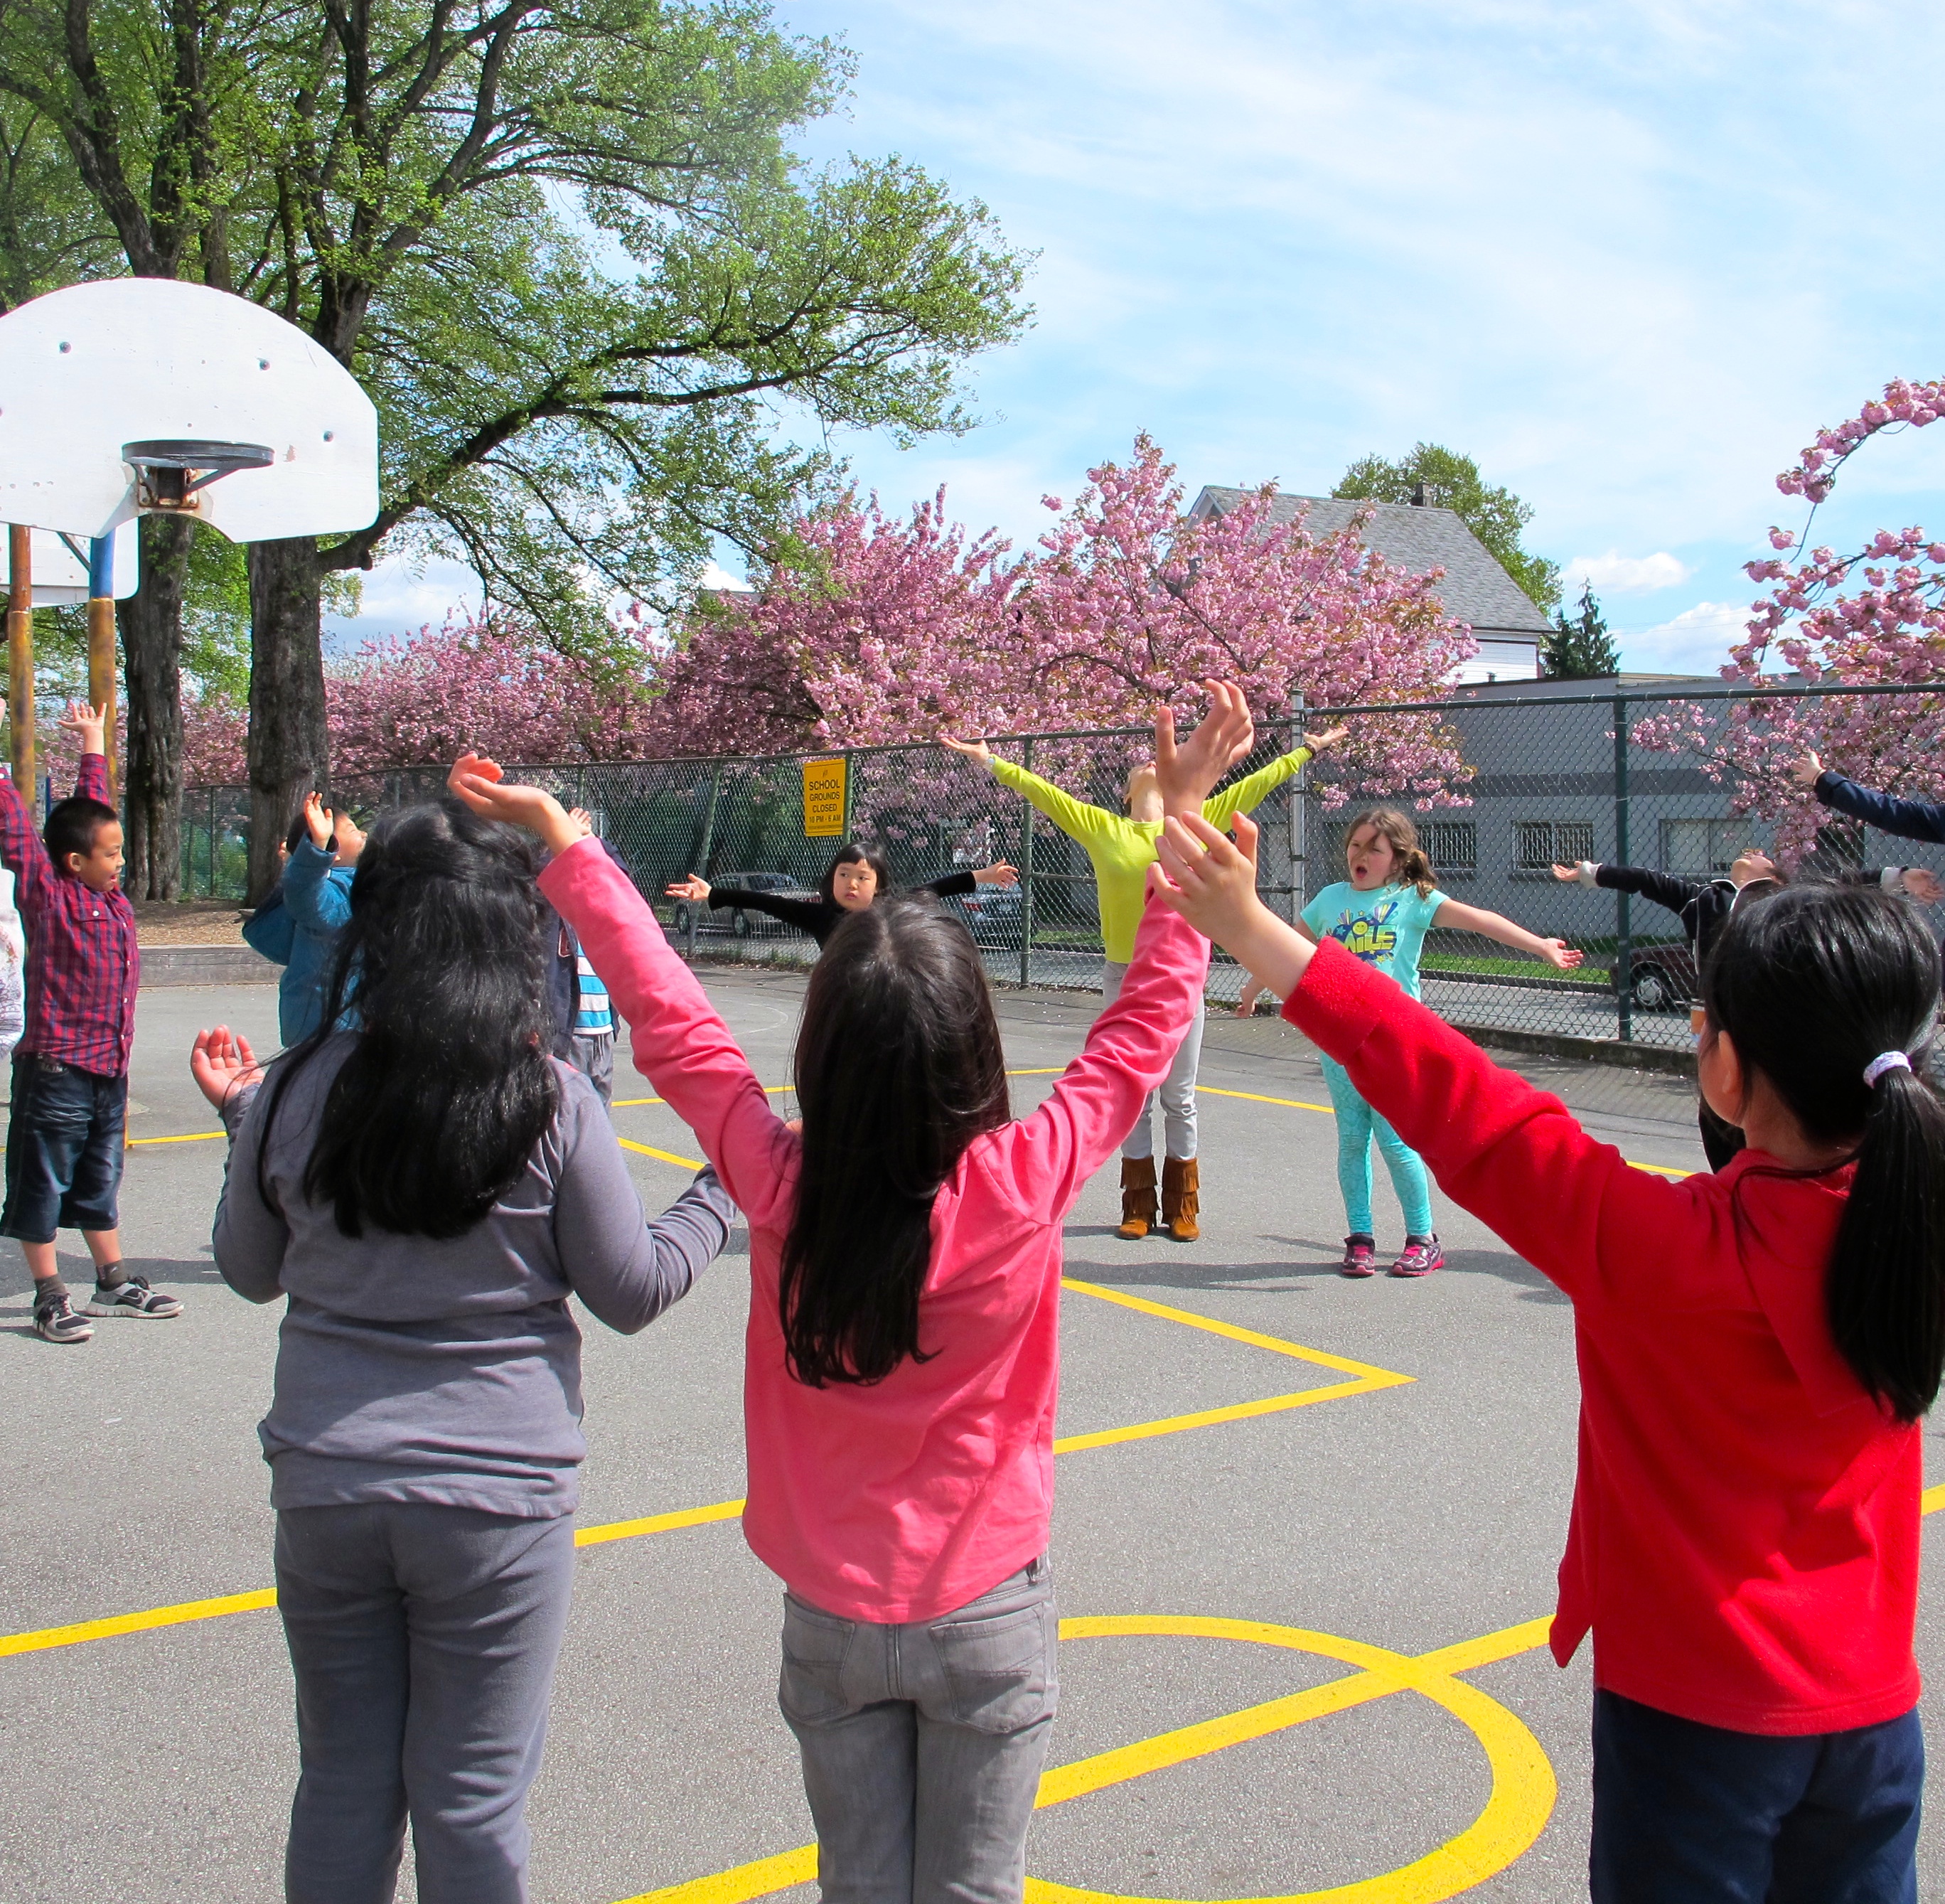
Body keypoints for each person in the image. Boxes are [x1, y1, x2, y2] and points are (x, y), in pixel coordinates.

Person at [451, 684, 1252, 1904]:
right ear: (976, 1050)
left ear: (820, 1052)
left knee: (859, 1888)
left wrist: (571, 847)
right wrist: (1177, 832)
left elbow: (674, 1024)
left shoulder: (778, 1179)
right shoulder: (1017, 1182)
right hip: (985, 1599)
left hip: (829, 1606)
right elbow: (1140, 1032)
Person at [1150, 808, 1936, 1903]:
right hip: (1875, 1713)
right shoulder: (1913, 1223)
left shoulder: (1657, 1247)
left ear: (1725, 1070)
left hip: (1694, 1717)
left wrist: (1246, 924)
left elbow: (1461, 1097)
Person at [200, 796, 737, 1904]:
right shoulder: (551, 1098)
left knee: (342, 1780)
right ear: (512, 931)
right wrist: (719, 1195)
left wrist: (245, 1125)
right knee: (473, 1794)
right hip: (497, 1493)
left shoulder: (294, 1086)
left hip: (330, 1476)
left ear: (372, 925)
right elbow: (631, 1288)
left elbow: (250, 1268)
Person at [941, 722, 1347, 1243]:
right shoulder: (1102, 827)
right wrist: (988, 759)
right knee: (1133, 1094)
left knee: (1180, 1094)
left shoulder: (1193, 817)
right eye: (1141, 766)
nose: (1151, 762)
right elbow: (1042, 792)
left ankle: (1183, 1204)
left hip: (1180, 978)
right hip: (1124, 977)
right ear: (1126, 793)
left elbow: (1260, 781)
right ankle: (1136, 1203)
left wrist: (1308, 748)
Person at [1303, 808, 1582, 1278]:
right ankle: (1360, 1238)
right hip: (1340, 1042)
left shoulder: (1413, 898)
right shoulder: (1329, 899)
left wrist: (1540, 946)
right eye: (1355, 844)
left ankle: (1422, 1238)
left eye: (1375, 848)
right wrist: (1252, 990)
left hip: (1392, 1041)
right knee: (1352, 1141)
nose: (1361, 854)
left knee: (1395, 1143)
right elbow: (1291, 948)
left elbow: (1480, 921)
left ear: (1397, 859)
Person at [1552, 847, 1939, 1170]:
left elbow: (1848, 884)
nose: (1751, 851)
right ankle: (1733, 1183)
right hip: (1723, 1028)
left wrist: (1899, 878)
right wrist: (1589, 872)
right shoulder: (1705, 901)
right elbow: (1647, 880)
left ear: (1777, 876)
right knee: (1721, 1111)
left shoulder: (1791, 900)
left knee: (1785, 1108)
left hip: (1785, 1026)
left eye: (1761, 854)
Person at [0, 700, 174, 1344]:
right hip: (57, 1068)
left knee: (102, 1177)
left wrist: (93, 745)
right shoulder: (49, 895)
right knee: (42, 1184)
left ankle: (112, 1281)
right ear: (75, 862)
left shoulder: (111, 895)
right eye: (112, 854)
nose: (120, 861)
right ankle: (50, 1295)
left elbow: (90, 814)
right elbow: (19, 834)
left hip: (108, 1070)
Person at [664, 843, 1019, 949]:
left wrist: (983, 875)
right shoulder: (820, 917)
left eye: (862, 878)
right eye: (844, 875)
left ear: (878, 885)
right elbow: (766, 902)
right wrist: (713, 893)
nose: (851, 884)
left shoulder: (892, 909)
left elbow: (935, 888)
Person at [279, 792, 364, 1044]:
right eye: (353, 830)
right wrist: (316, 849)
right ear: (334, 852)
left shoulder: (357, 880)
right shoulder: (334, 890)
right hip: (326, 1023)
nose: (363, 835)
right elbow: (307, 896)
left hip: (342, 1018)